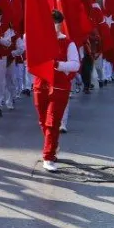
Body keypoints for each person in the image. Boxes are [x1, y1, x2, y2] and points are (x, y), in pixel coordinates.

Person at [35, 11, 81, 172]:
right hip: (41, 86)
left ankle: (48, 156)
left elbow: (75, 65)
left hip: (59, 87)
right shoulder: (39, 41)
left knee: (52, 122)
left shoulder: (68, 43)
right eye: (49, 22)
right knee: (43, 121)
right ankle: (53, 145)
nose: (53, 25)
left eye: (55, 22)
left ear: (60, 23)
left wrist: (58, 65)